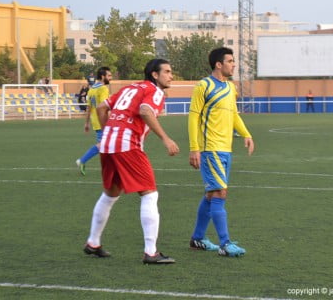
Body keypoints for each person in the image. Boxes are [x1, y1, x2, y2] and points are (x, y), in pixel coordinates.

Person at [83, 59, 179, 264]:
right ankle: (151, 252)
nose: (171, 76)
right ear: (155, 74)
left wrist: (108, 130)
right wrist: (166, 138)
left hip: (108, 144)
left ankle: (93, 242)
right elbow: (145, 111)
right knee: (149, 193)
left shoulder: (131, 88)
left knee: (110, 194)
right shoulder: (155, 91)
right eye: (168, 72)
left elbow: (101, 108)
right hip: (127, 144)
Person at [187, 47, 255, 257]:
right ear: (219, 64)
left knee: (211, 194)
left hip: (226, 149)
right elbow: (193, 117)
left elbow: (234, 115)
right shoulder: (204, 86)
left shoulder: (230, 88)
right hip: (211, 148)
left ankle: (197, 239)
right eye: (230, 61)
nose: (233, 64)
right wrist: (194, 148)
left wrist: (246, 134)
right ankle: (225, 244)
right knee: (220, 193)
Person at [75, 67, 112, 175]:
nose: (111, 78)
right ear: (102, 76)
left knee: (106, 145)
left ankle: (111, 168)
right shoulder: (103, 89)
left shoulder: (92, 89)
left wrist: (87, 123)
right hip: (103, 121)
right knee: (104, 144)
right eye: (109, 75)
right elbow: (104, 107)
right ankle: (82, 160)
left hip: (96, 121)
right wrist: (110, 120)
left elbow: (89, 108)